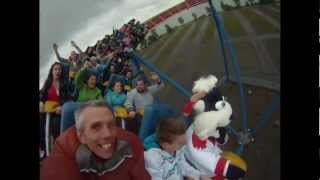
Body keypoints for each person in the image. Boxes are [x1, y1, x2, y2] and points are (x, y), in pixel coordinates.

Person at [40, 100, 151, 180]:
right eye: (96, 127)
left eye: (111, 124)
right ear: (81, 136)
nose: (107, 134)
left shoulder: (130, 142)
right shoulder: (64, 152)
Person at [39, 62, 69, 158]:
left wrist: (61, 106)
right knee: (40, 122)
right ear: (52, 71)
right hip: (47, 111)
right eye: (55, 69)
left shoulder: (64, 83)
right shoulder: (48, 82)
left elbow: (67, 98)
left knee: (56, 123)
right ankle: (43, 149)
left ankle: (58, 148)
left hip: (58, 111)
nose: (58, 71)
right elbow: (42, 96)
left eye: (59, 69)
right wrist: (41, 102)